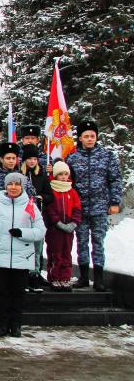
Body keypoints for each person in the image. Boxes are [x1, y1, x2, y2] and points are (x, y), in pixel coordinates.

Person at [0, 172, 46, 338]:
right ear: (5, 186)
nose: (13, 187)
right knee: (2, 293)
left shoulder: (30, 206)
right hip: (1, 258)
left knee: (18, 294)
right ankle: (3, 324)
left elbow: (40, 231)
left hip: (22, 258)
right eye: (10, 184)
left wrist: (22, 232)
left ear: (22, 186)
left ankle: (16, 325)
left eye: (17, 184)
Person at [66, 120, 122, 290]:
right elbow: (68, 182)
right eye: (86, 136)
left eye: (92, 136)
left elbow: (114, 180)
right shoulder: (72, 158)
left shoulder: (107, 156)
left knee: (98, 242)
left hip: (100, 206)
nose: (90, 139)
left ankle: (98, 279)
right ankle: (83, 277)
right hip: (79, 208)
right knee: (81, 241)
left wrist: (114, 202)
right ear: (80, 138)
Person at [45, 161, 82, 291]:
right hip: (55, 228)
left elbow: (77, 208)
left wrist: (74, 222)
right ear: (55, 175)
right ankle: (54, 277)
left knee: (67, 253)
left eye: (66, 174)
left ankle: (65, 277)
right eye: (60, 174)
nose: (63, 177)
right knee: (55, 253)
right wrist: (57, 222)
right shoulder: (52, 190)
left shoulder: (72, 191)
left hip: (69, 229)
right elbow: (50, 209)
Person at [21, 144, 54, 289]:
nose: (32, 162)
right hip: (22, 216)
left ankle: (35, 273)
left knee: (37, 247)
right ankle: (24, 274)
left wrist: (41, 197)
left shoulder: (41, 175)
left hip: (37, 214)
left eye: (34, 158)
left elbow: (50, 195)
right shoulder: (19, 175)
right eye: (29, 159)